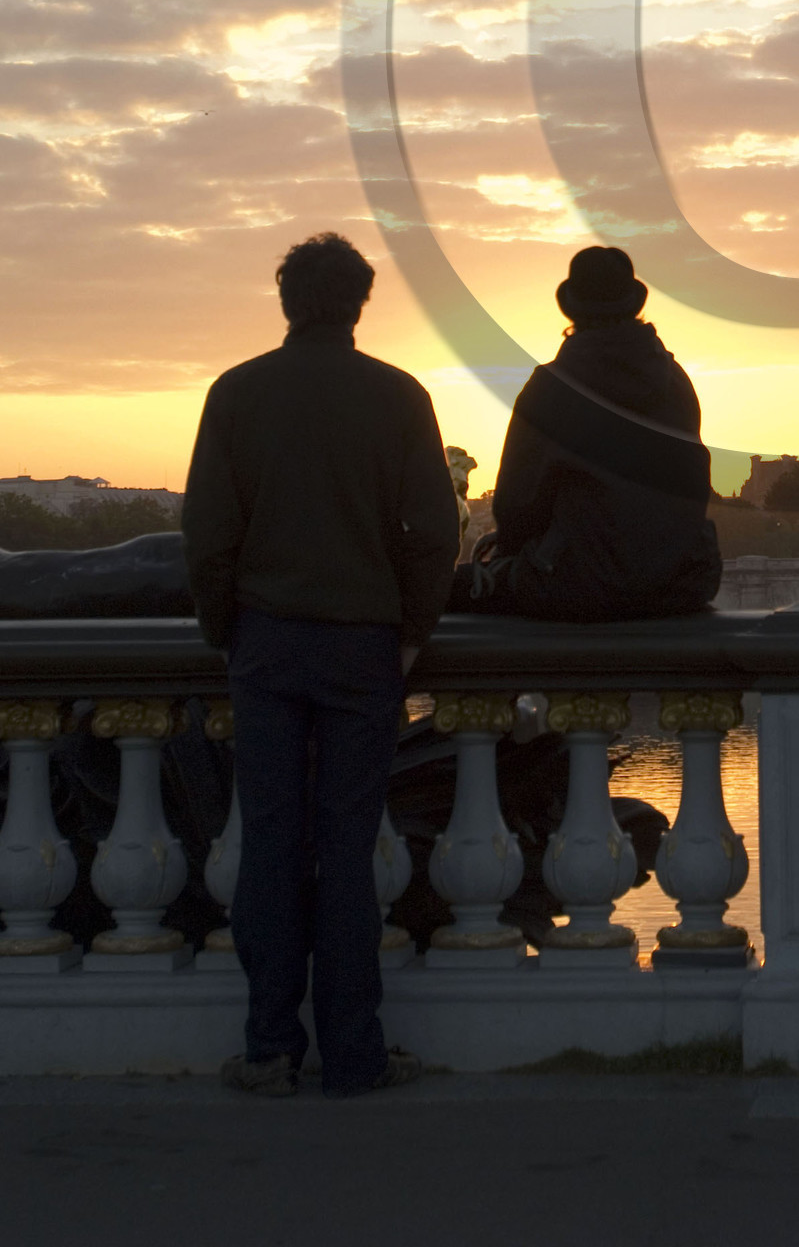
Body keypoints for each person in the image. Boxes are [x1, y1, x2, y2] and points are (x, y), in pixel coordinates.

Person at [182, 232, 460, 1101]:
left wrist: (224, 628)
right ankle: (354, 1052)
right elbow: (435, 533)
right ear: (360, 303)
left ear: (286, 301)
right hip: (363, 644)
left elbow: (209, 534)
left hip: (266, 640)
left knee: (268, 840)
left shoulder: (236, 393)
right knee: (347, 846)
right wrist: (412, 629)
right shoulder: (400, 396)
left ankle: (270, 1048)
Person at [457, 246, 720, 621]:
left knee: (455, 588)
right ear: (634, 306)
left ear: (573, 310)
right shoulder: (676, 383)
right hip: (682, 581)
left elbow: (516, 505)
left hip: (579, 584)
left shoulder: (551, 388)